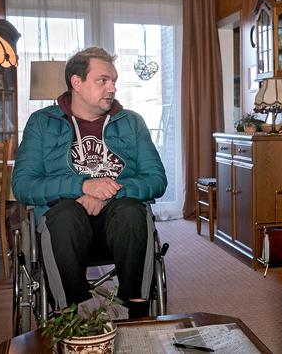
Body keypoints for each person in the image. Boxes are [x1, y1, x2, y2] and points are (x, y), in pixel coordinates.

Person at [12, 46, 167, 318]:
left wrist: (108, 191)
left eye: (114, 81)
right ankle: (74, 313)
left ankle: (133, 309)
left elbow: (156, 179)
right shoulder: (42, 123)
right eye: (103, 80)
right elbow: (23, 185)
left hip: (118, 224)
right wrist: (82, 186)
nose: (112, 88)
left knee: (133, 212)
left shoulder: (131, 123)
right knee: (64, 216)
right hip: (65, 229)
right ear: (77, 82)